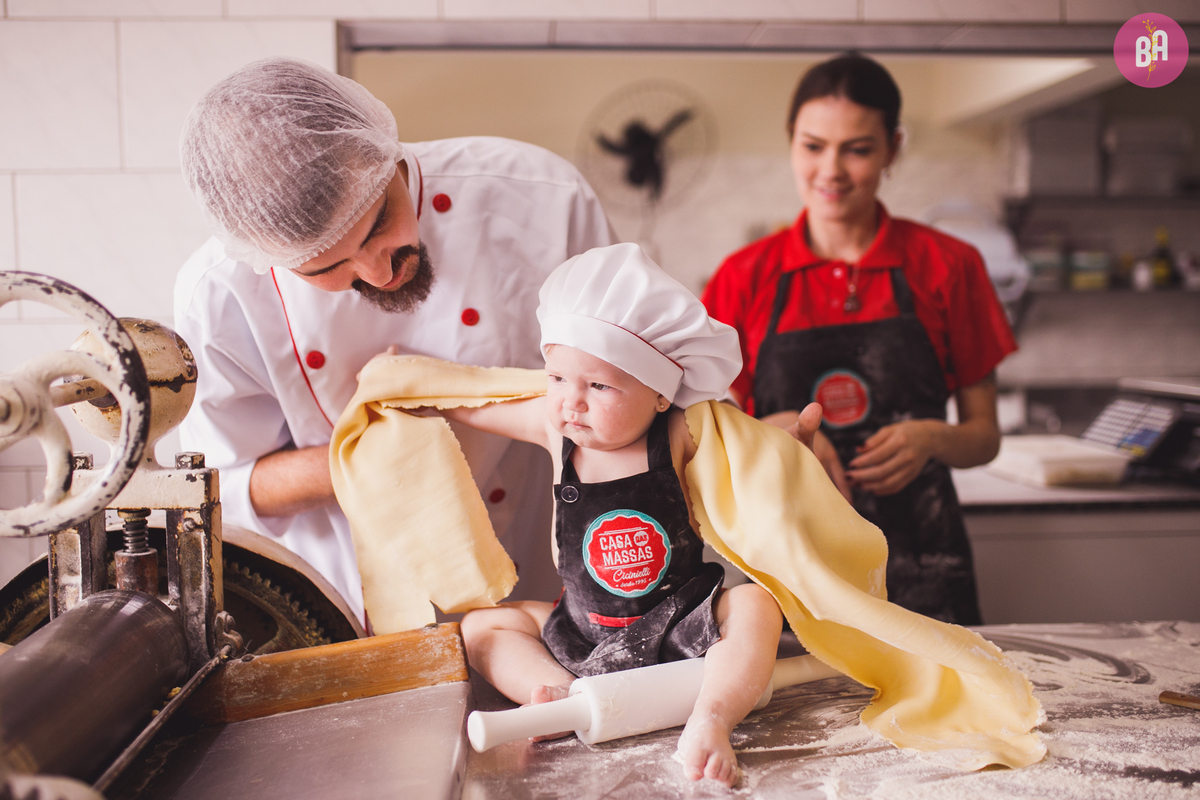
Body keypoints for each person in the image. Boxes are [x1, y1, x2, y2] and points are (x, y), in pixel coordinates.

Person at [173, 58, 616, 623]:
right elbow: (224, 489)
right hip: (357, 614)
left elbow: (636, 372)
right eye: (327, 268)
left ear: (381, 148)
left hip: (550, 582)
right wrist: (388, 449)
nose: (379, 273)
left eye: (380, 221)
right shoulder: (220, 294)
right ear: (270, 260)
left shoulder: (542, 198)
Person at [429, 243, 782, 786]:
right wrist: (416, 395)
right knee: (481, 626)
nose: (571, 401)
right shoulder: (557, 432)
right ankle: (556, 696)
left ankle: (711, 719)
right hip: (583, 634)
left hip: (680, 630)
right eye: (556, 379)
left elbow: (756, 448)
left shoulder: (682, 433)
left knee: (756, 601)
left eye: (598, 385)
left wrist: (792, 446)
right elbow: (477, 400)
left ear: (661, 394)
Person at [702, 54, 1016, 626]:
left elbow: (984, 437)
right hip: (788, 563)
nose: (832, 170)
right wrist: (776, 434)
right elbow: (703, 431)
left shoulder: (950, 266)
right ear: (791, 143)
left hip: (924, 560)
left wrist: (931, 438)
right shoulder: (742, 277)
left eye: (859, 148)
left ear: (893, 149)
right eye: (814, 145)